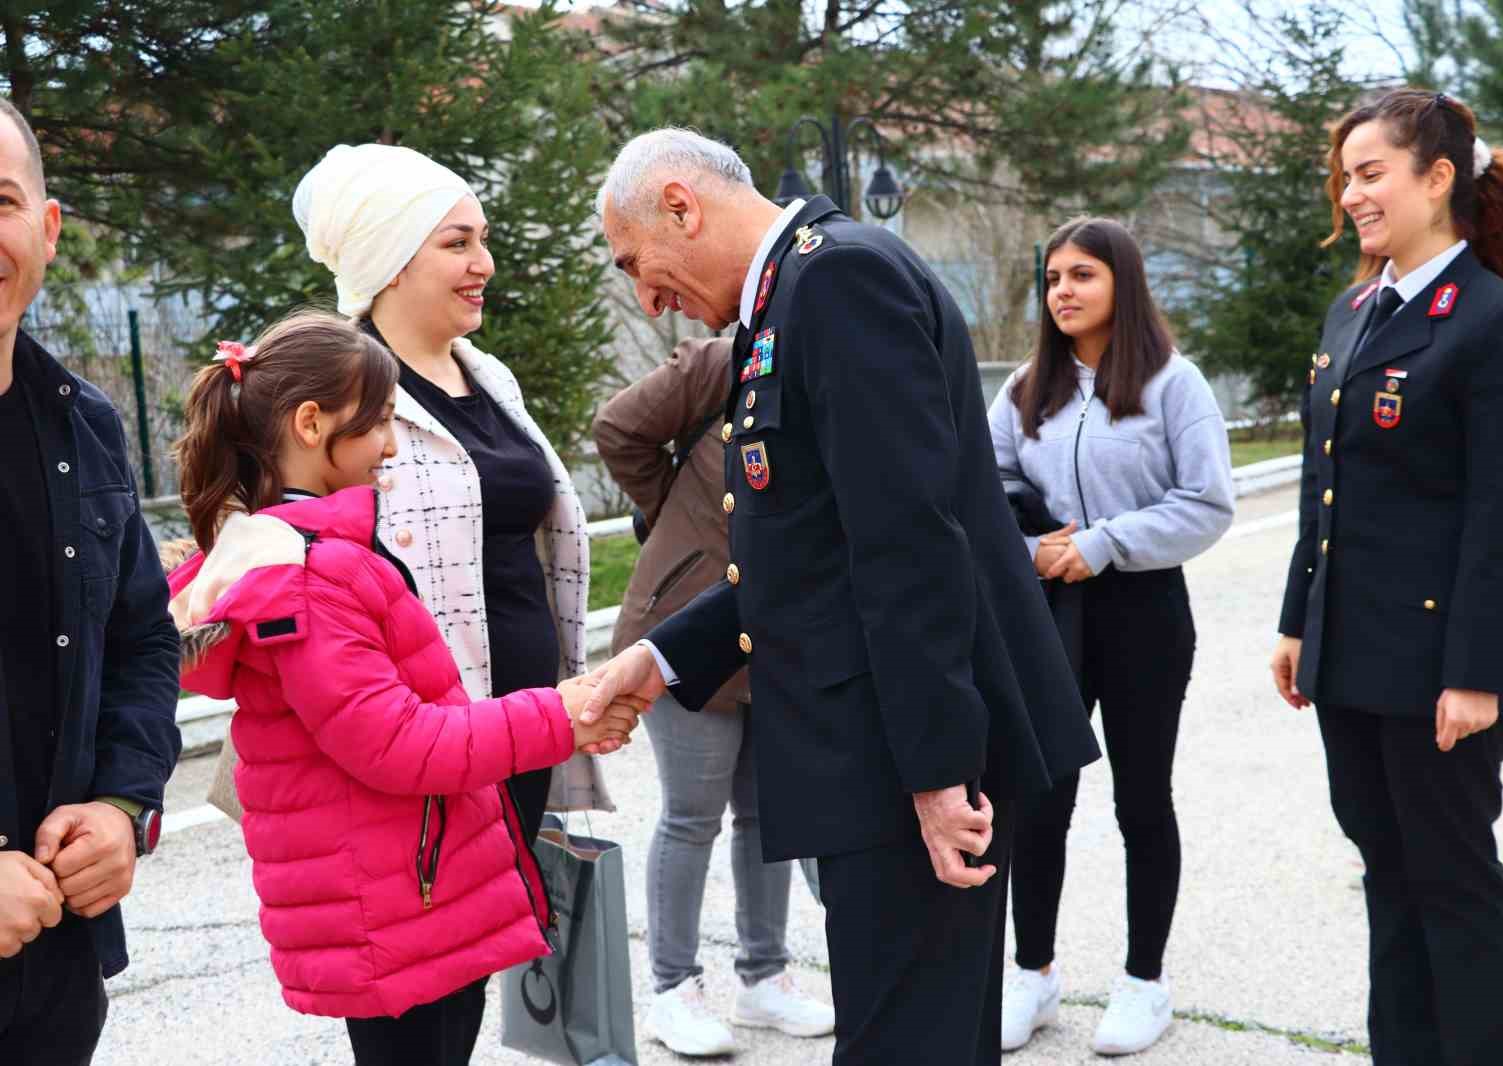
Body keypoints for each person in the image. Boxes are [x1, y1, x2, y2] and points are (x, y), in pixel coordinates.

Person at [580, 127, 1102, 1066]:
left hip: (913, 754)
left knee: (910, 1043)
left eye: (637, 262)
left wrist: (941, 776)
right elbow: (812, 550)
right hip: (882, 746)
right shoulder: (790, 298)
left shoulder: (837, 283)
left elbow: (908, 542)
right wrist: (662, 656)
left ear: (680, 205)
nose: (647, 295)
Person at [166, 311, 642, 1066]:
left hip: (399, 889)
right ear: (313, 423)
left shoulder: (297, 554)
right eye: (380, 422)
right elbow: (397, 741)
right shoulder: (317, 574)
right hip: (396, 899)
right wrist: (562, 715)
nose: (391, 447)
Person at [1269, 88, 1503, 1066]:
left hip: (1439, 666)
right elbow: (1326, 482)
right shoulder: (1352, 309)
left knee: (1453, 885)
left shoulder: (1492, 320)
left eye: (1370, 174)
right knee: (1385, 878)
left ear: (1437, 180)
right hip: (1350, 657)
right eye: (1343, 177)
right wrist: (1294, 621)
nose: (1350, 195)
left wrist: (1474, 672)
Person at [988, 217, 1234, 1055]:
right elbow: (986, 490)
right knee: (1041, 797)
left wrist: (1103, 544)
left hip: (1143, 613)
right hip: (1049, 613)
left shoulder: (1175, 385)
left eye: (1082, 274)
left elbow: (1206, 504)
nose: (1063, 290)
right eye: (1053, 276)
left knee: (1141, 799)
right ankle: (1033, 974)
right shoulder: (1026, 389)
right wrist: (1035, 552)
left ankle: (1143, 983)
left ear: (1122, 284)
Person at [0, 97, 181, 1066]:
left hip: (56, 965)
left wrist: (122, 803)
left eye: (0, 199)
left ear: (47, 227)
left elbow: (145, 641)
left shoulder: (85, 428)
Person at [594, 336, 833, 1055]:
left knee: (767, 815)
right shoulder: (719, 360)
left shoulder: (827, 365)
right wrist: (675, 512)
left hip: (777, 630)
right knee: (691, 815)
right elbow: (618, 428)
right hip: (683, 629)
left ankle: (763, 978)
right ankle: (673, 987)